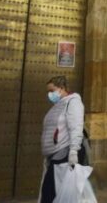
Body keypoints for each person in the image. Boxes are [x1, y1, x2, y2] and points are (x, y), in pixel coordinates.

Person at [39, 75, 89, 203]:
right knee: (55, 193)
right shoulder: (59, 105)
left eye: (52, 90)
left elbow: (76, 127)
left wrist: (73, 151)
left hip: (65, 153)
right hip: (56, 154)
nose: (49, 94)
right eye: (48, 91)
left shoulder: (73, 102)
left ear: (61, 88)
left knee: (49, 193)